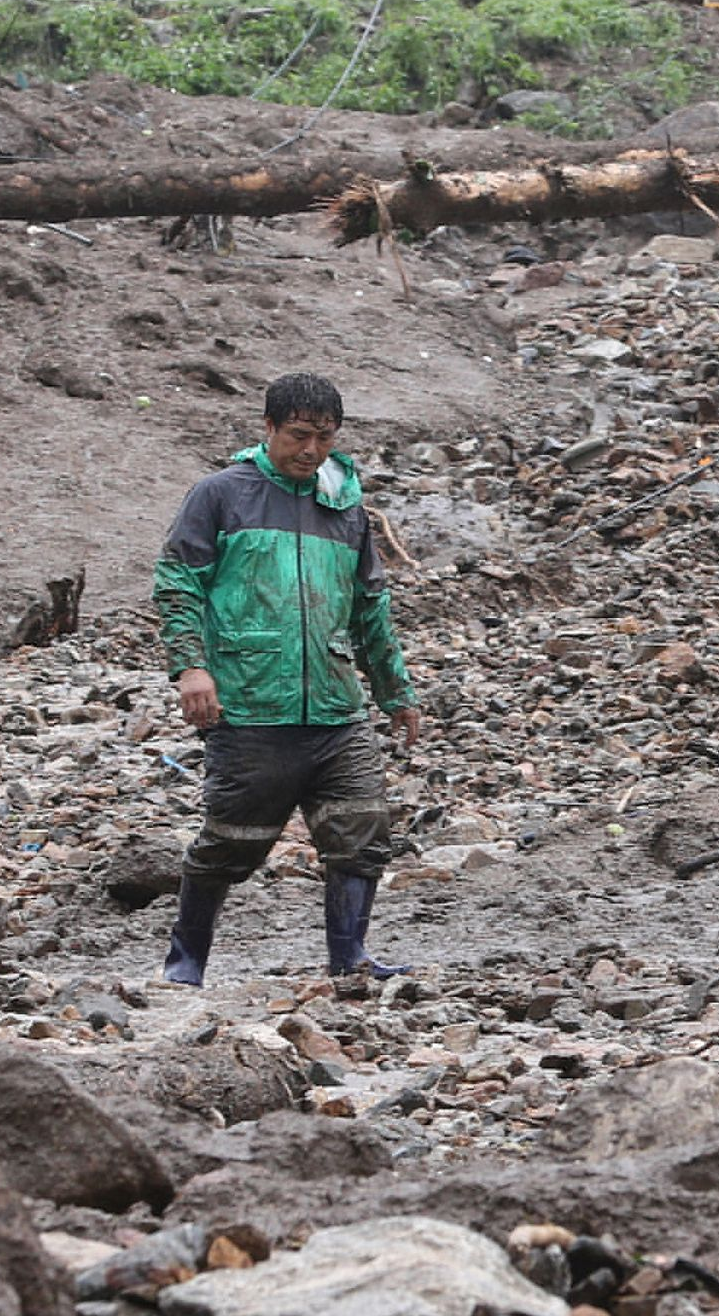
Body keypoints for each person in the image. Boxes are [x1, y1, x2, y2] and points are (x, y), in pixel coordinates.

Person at [152, 373, 420, 985]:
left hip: (334, 704)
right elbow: (177, 585)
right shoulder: (221, 495)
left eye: (324, 439)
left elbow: (369, 607)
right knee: (231, 842)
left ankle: (349, 959)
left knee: (362, 831)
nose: (312, 451)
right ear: (268, 428)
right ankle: (185, 962)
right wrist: (191, 668)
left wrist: (395, 691)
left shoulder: (343, 504)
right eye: (299, 436)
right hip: (250, 703)